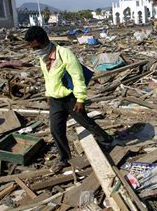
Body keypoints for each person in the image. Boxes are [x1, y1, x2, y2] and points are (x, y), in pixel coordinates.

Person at [24, 26, 114, 172]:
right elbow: (48, 78)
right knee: (56, 129)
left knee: (85, 122)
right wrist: (48, 94)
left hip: (70, 98)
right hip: (55, 100)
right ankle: (64, 158)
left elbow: (77, 77)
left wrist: (80, 99)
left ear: (41, 41)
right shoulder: (43, 57)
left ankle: (107, 140)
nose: (34, 50)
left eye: (35, 46)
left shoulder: (64, 54)